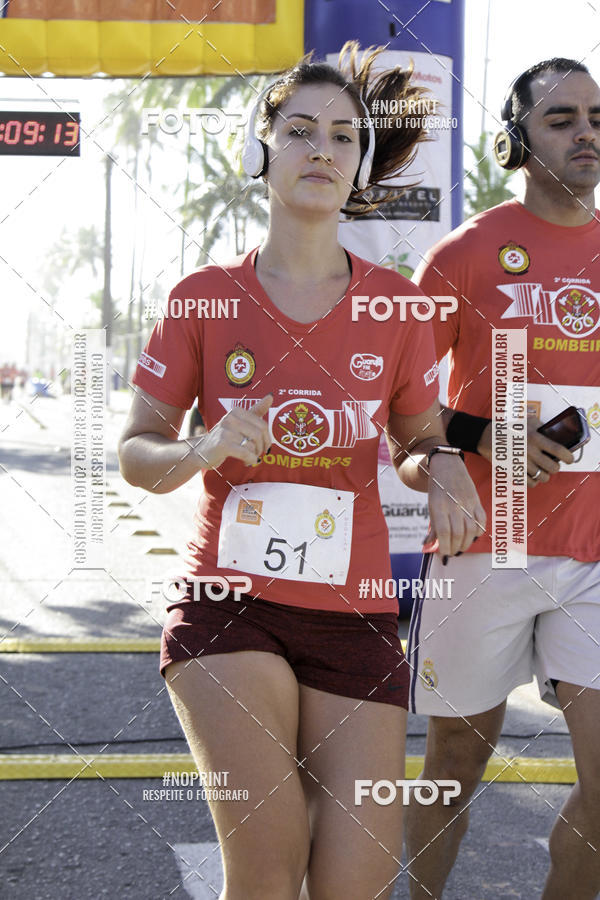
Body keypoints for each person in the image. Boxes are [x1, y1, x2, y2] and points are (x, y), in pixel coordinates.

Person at [118, 43, 484, 899]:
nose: (322, 149)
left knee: (357, 884)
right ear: (262, 150)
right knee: (268, 870)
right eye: (300, 131)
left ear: (359, 164)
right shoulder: (204, 297)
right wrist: (202, 448)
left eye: (343, 136)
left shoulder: (397, 305)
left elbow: (418, 441)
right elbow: (137, 453)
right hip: (228, 606)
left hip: (355, 616)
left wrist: (445, 469)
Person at [406, 58, 600, 899]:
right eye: (561, 119)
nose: (586, 132)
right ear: (516, 140)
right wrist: (481, 437)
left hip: (594, 553)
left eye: (596, 117)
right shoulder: (464, 254)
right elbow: (399, 405)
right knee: (453, 762)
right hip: (486, 544)